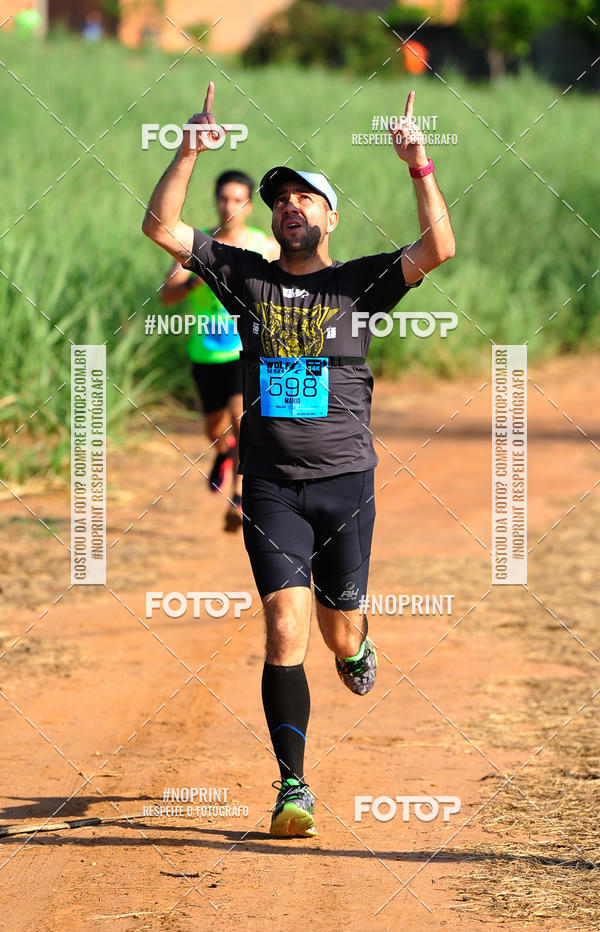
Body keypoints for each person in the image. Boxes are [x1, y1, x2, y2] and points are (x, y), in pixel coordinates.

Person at [142, 82, 455, 838]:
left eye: (305, 198)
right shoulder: (246, 278)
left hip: (345, 484)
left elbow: (438, 248)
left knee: (338, 632)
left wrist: (419, 165)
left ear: (330, 217)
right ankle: (293, 786)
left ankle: (357, 640)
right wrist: (188, 150)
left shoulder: (360, 282)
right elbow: (161, 228)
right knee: (285, 630)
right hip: (272, 486)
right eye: (280, 198)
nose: (289, 206)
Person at [160, 170, 278, 532]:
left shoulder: (265, 246)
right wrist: (195, 280)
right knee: (213, 427)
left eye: (237, 200)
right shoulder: (197, 244)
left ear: (249, 205)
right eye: (224, 199)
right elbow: (166, 297)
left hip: (247, 350)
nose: (229, 206)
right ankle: (223, 452)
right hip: (205, 352)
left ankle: (238, 497)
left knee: (242, 419)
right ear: (216, 201)